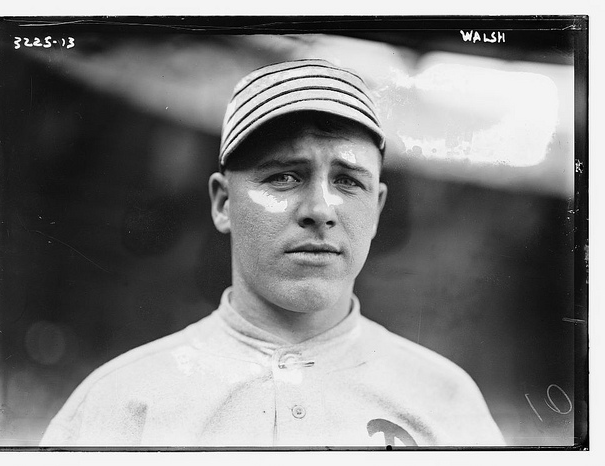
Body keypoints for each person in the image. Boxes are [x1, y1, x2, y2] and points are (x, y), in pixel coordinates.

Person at [40, 59, 505, 448]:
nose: (320, 210)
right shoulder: (121, 403)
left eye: (348, 181)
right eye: (284, 176)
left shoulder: (446, 401)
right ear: (224, 202)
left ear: (377, 208)